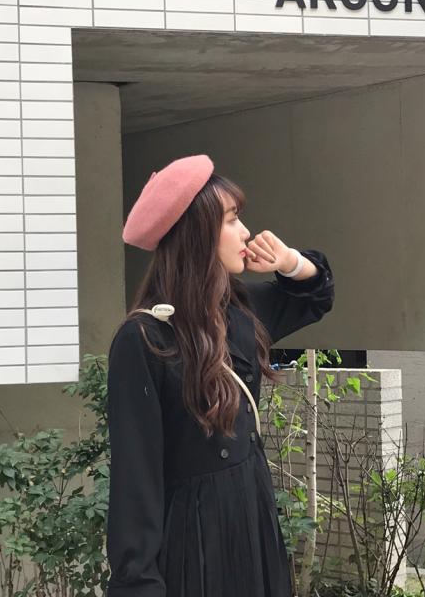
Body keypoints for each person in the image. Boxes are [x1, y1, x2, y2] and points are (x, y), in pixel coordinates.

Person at [105, 154, 335, 597]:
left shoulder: (240, 311)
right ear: (197, 233)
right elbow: (136, 480)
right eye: (231, 220)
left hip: (252, 513)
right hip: (194, 537)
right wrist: (138, 584)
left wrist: (289, 261)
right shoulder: (145, 337)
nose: (245, 231)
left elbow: (316, 296)